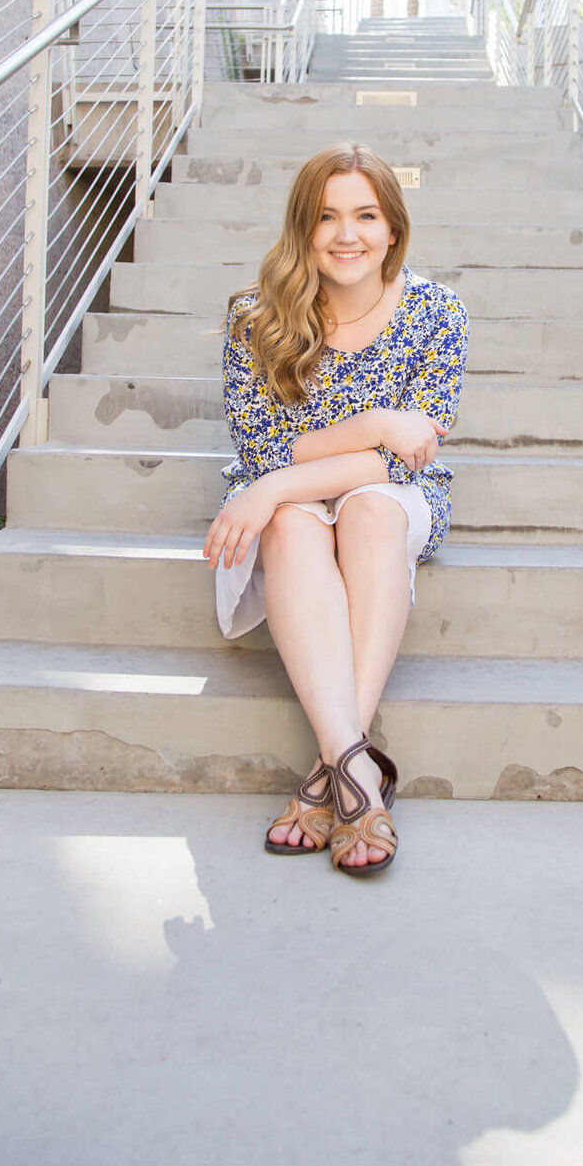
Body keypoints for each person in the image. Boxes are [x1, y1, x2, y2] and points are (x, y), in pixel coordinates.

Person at [204, 141, 469, 877]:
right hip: (286, 497)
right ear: (302, 227)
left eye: (365, 214)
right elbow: (262, 447)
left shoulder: (438, 314)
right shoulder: (256, 318)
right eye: (326, 216)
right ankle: (357, 774)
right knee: (290, 521)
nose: (346, 234)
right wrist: (375, 423)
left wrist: (285, 476)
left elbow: (404, 459)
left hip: (388, 499)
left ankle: (328, 777)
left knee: (372, 511)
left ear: (393, 228)